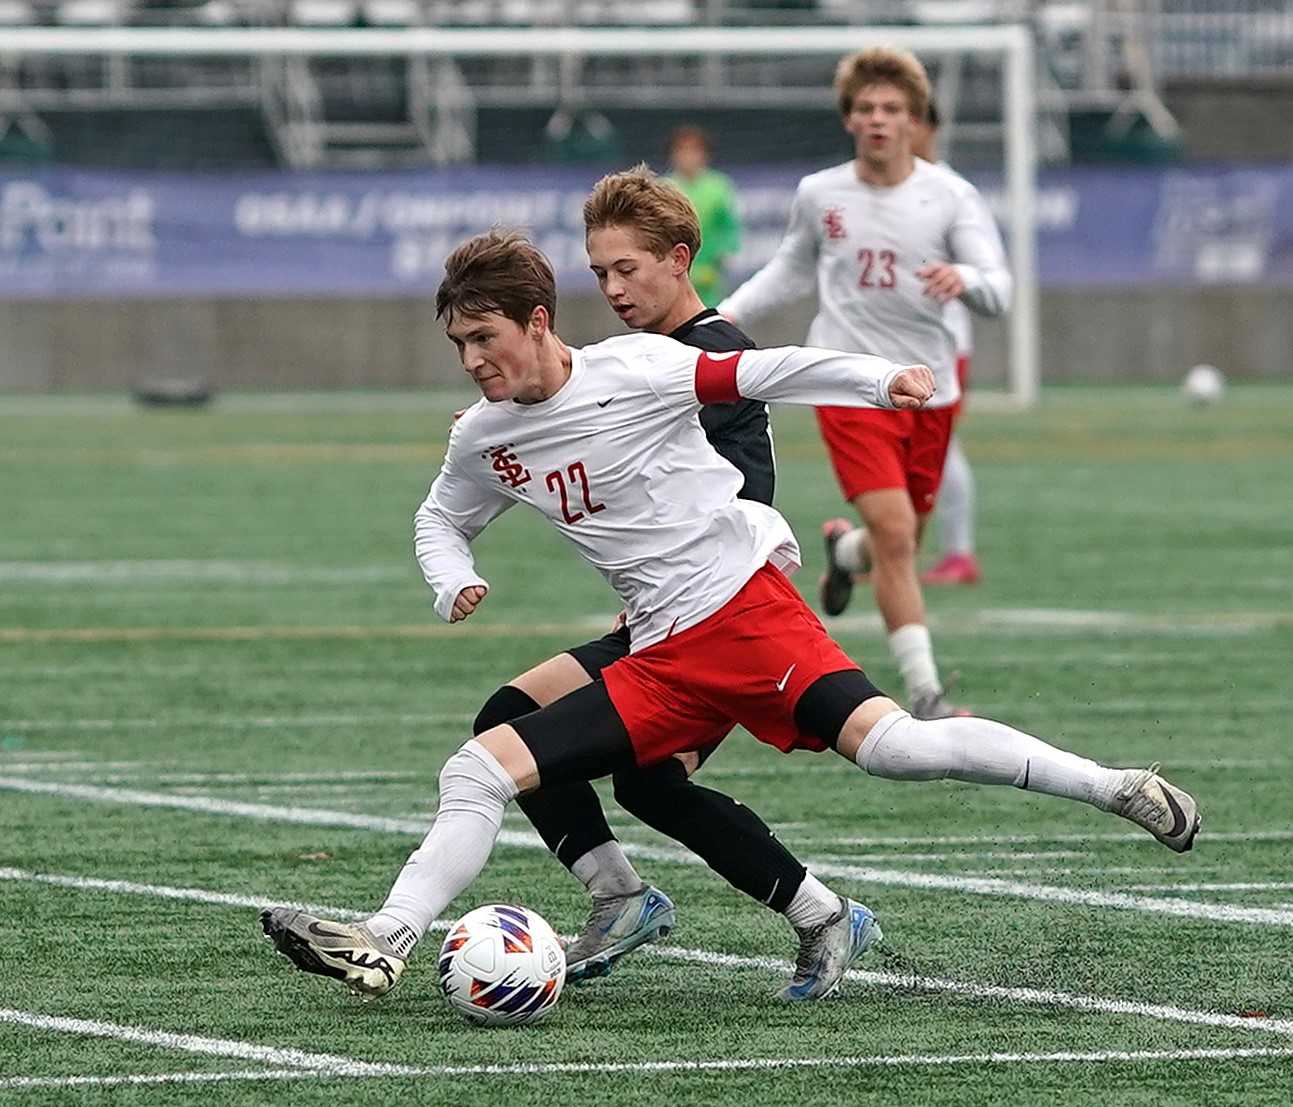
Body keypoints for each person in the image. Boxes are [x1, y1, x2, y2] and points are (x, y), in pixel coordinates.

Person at [259, 231, 1199, 1010]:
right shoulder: (484, 435)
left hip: (747, 618)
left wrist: (878, 382)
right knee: (485, 757)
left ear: (537, 322)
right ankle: (386, 938)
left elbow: (765, 367)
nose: (472, 361)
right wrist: (450, 575)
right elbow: (439, 516)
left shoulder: (637, 369)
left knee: (897, 749)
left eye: (484, 337)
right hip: (660, 651)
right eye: (458, 345)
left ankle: (1116, 787)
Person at [480, 166, 844, 987]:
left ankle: (803, 911)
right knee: (548, 733)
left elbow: (745, 491)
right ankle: (673, 899)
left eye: (625, 270)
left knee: (609, 764)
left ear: (679, 261)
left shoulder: (710, 353)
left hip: (720, 614)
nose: (609, 288)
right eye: (598, 272)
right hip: (658, 616)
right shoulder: (640, 357)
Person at [719, 47, 1010, 718]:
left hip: (928, 389)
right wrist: (728, 314)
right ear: (848, 119)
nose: (878, 119)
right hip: (848, 382)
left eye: (891, 109)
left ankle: (842, 551)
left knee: (891, 539)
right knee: (898, 534)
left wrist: (963, 280)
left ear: (914, 119)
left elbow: (999, 290)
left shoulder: (950, 196)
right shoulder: (821, 194)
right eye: (865, 109)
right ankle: (926, 695)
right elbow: (791, 271)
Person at [911, 100, 982, 587]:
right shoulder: (874, 190)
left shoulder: (952, 192)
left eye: (903, 117)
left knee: (940, 447)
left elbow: (983, 268)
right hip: (892, 339)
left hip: (943, 342)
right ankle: (894, 548)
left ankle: (959, 553)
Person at [667, 125, 742, 308]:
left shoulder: (719, 187)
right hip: (672, 275)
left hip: (709, 278)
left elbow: (730, 227)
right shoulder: (664, 187)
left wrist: (723, 254)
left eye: (694, 150)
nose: (688, 157)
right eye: (682, 150)